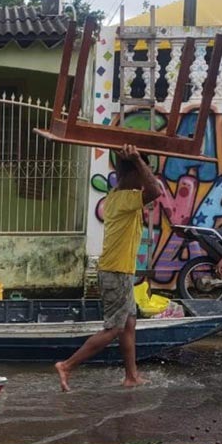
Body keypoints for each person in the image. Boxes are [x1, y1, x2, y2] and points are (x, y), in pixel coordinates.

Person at [55, 145, 161, 392]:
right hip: (116, 272)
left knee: (129, 323)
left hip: (119, 271)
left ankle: (131, 376)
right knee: (113, 329)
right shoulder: (125, 197)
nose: (144, 179)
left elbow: (150, 185)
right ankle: (67, 365)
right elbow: (155, 189)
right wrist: (136, 158)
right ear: (131, 175)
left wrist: (134, 161)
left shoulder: (120, 195)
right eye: (141, 173)